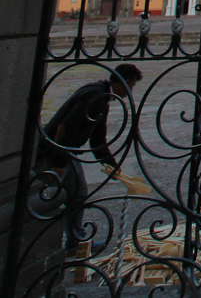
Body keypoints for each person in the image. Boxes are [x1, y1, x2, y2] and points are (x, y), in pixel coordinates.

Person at [36, 63, 143, 251]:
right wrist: (59, 163)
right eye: (132, 86)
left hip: (66, 152)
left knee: (77, 194)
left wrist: (111, 164)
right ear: (125, 82)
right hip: (53, 152)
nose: (130, 92)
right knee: (46, 199)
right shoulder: (94, 95)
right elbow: (63, 128)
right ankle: (39, 247)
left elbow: (97, 138)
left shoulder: (103, 97)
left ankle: (75, 243)